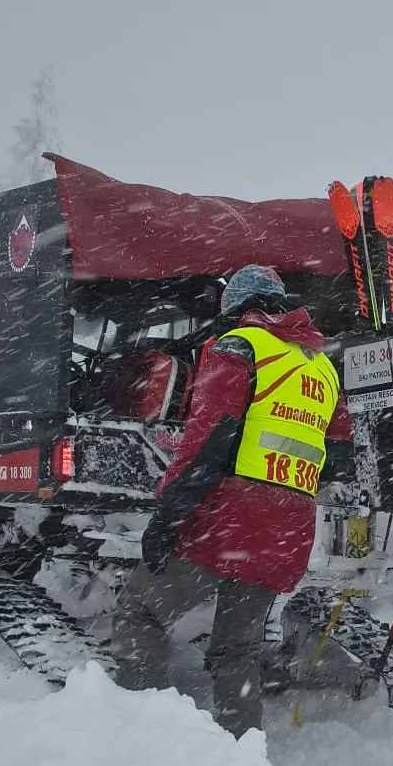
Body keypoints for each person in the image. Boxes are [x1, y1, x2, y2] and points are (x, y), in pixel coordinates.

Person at [110, 265, 350, 737]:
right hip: (288, 528)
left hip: (230, 519)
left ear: (234, 307)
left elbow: (207, 439)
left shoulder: (241, 345)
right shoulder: (320, 366)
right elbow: (338, 453)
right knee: (235, 650)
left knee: (139, 611)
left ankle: (140, 741)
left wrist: (169, 514)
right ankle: (240, 760)